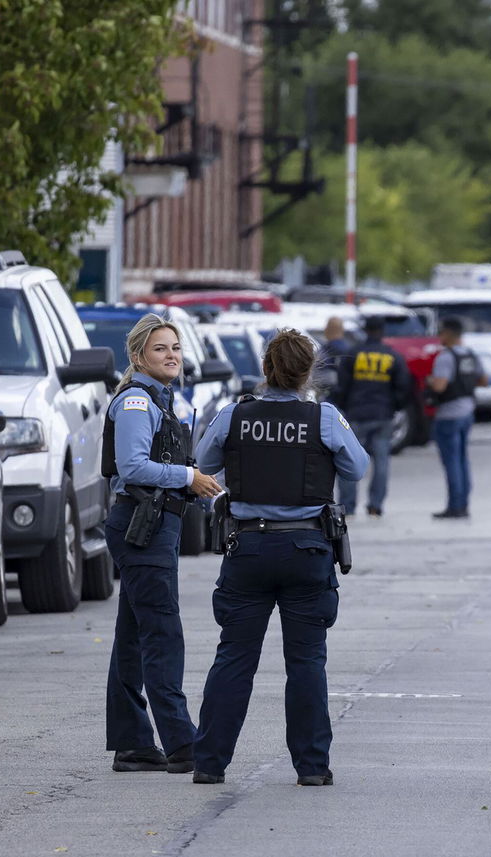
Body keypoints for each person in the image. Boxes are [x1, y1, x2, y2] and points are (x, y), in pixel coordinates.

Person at [191, 329, 369, 786]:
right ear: (309, 370)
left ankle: (209, 764)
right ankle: (311, 768)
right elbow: (357, 468)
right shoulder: (323, 417)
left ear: (265, 367)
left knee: (233, 657)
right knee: (307, 662)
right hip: (306, 549)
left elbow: (203, 463)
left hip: (248, 549)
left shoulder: (234, 415)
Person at [103, 314, 222, 774]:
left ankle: (132, 743)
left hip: (153, 526)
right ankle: (181, 743)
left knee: (133, 637)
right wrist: (188, 477)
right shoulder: (136, 401)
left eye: (175, 347)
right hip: (141, 526)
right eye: (160, 349)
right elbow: (131, 468)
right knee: (162, 635)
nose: (172, 355)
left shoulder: (160, 398)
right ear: (137, 357)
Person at [332, 316, 411, 517]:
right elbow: (403, 386)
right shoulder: (392, 356)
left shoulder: (354, 354)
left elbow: (341, 386)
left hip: (356, 414)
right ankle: (375, 505)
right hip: (382, 414)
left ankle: (347, 506)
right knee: (382, 461)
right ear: (382, 331)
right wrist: (394, 407)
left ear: (365, 331)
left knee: (349, 460)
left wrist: (344, 406)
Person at [427, 317, 487, 519]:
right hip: (467, 411)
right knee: (462, 459)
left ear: (449, 334)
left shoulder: (445, 357)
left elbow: (440, 386)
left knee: (451, 461)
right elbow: (484, 379)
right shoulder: (470, 355)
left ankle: (454, 507)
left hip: (449, 414)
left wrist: (430, 382)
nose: (439, 337)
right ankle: (463, 504)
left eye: (441, 333)